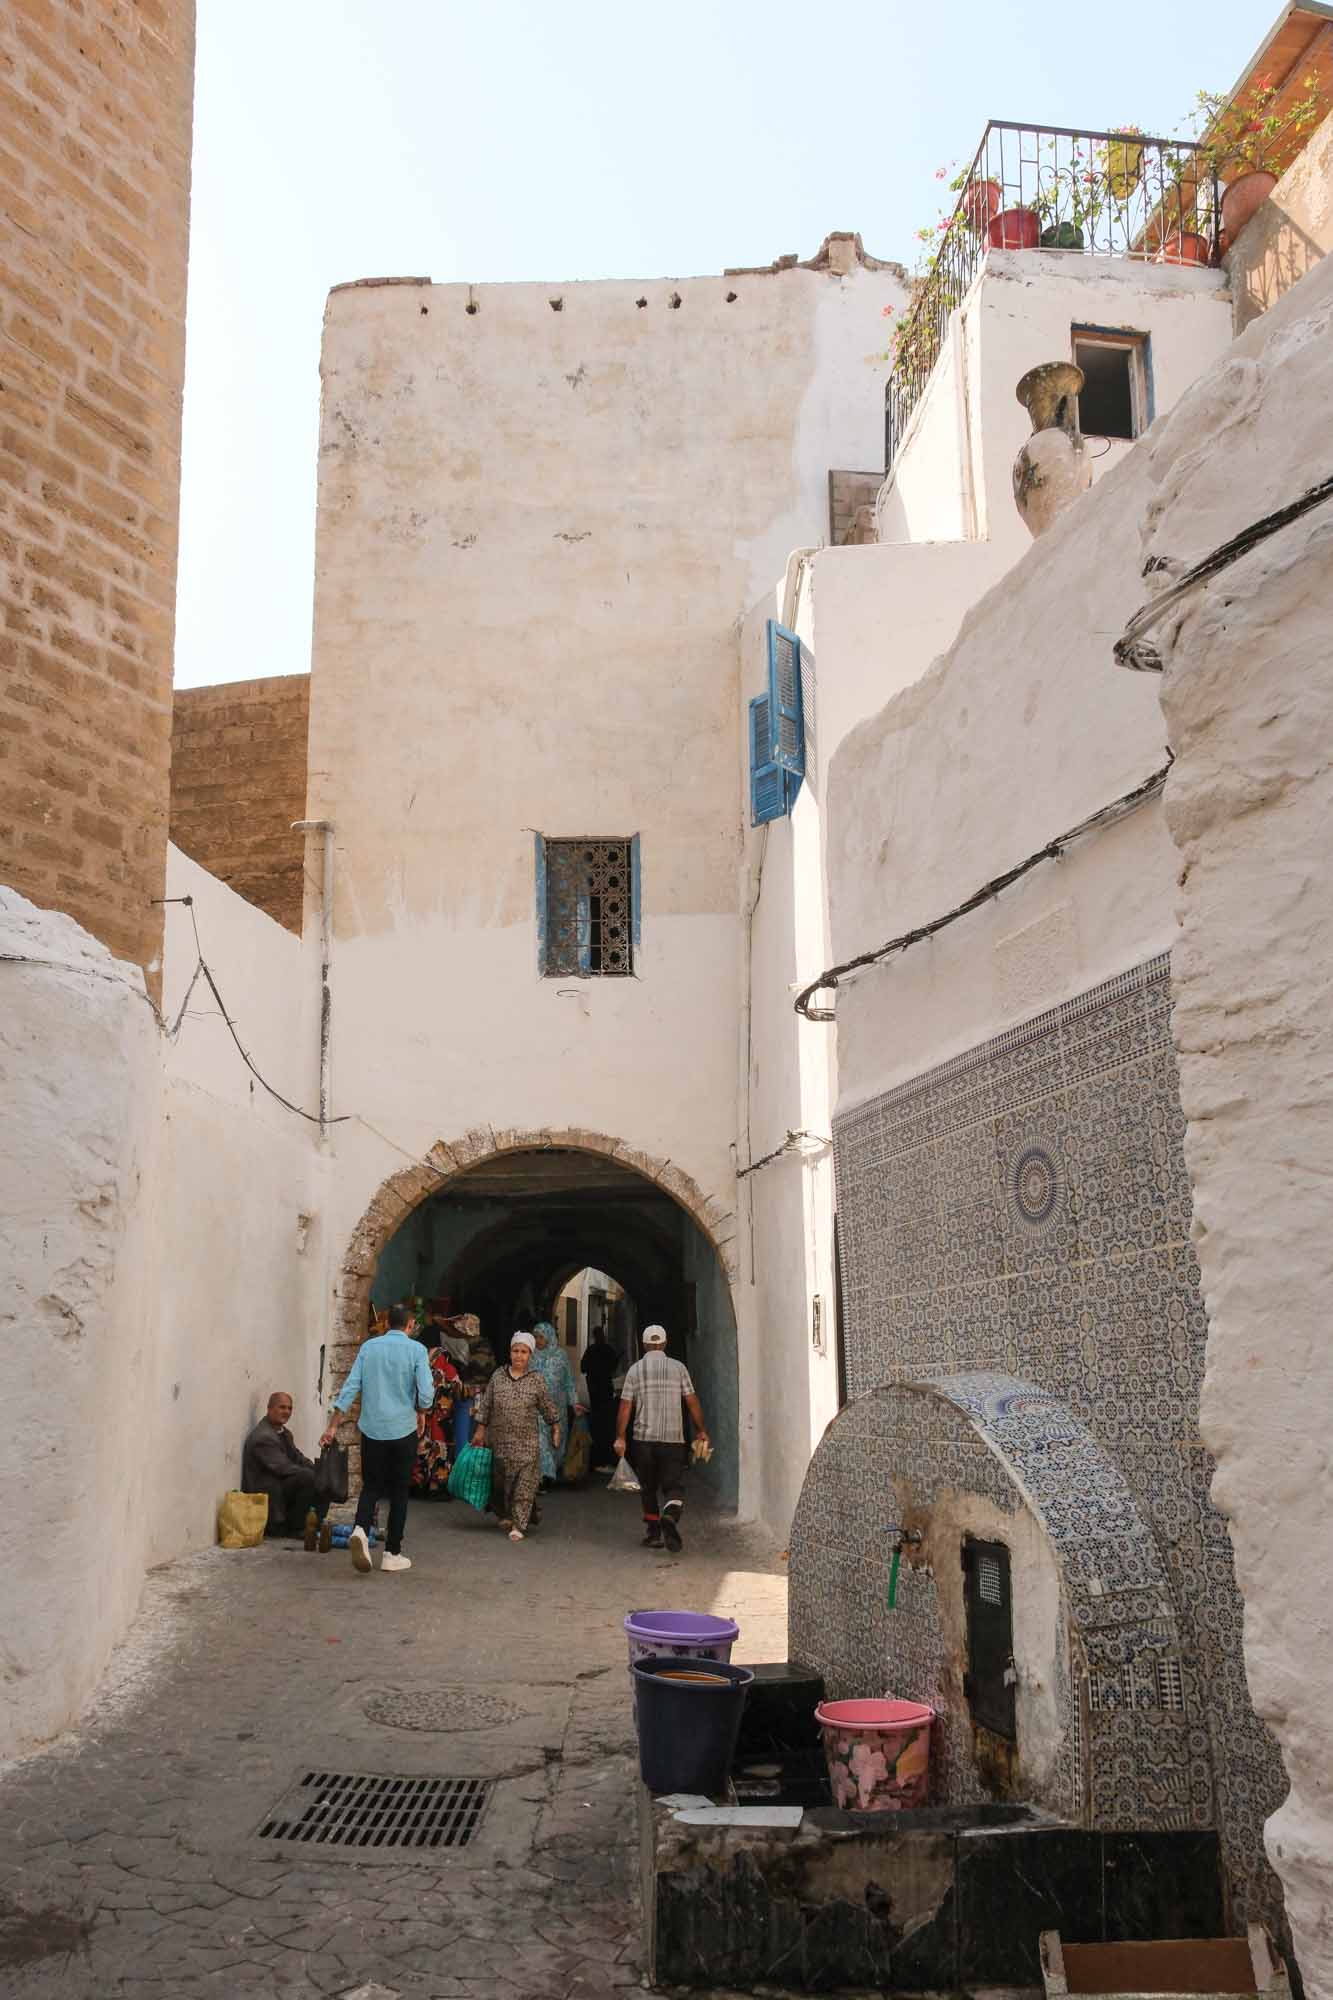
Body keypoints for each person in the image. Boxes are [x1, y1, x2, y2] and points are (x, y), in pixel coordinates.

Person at [320, 1302, 433, 1575]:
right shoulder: (417, 1350)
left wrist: (333, 1426)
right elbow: (426, 1392)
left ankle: (360, 1528)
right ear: (410, 1325)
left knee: (371, 1486)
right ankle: (392, 1553)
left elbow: (351, 1387)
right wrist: (421, 1412)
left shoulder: (369, 1348)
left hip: (372, 1430)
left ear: (386, 1323)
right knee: (399, 1491)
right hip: (403, 1430)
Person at [614, 1324, 710, 1553]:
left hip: (643, 1441)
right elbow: (691, 1401)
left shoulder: (635, 1370)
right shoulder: (679, 1368)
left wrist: (620, 1437)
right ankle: (670, 1515)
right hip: (673, 1440)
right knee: (673, 1486)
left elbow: (625, 1407)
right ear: (665, 1343)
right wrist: (701, 1430)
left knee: (648, 1488)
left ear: (644, 1345)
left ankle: (654, 1533)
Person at [472, 1333, 562, 1543]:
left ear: (530, 1355)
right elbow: (486, 1404)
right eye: (515, 1351)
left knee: (524, 1484)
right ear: (510, 1352)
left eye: (523, 1352)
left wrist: (555, 1428)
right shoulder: (498, 1376)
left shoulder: (536, 1379)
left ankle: (518, 1525)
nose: (519, 1356)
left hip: (527, 1444)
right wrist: (480, 1430)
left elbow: (547, 1406)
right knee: (501, 1483)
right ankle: (509, 1513)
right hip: (500, 1442)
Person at [242, 1392, 328, 1538]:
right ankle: (295, 1527)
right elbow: (283, 1467)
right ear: (269, 1409)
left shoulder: (284, 1433)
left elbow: (298, 1457)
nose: (287, 1412)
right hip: (267, 1494)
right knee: (307, 1478)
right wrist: (313, 1475)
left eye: (289, 1408)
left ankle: (314, 1524)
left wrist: (319, 1471)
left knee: (322, 1478)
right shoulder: (263, 1437)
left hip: (279, 1485)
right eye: (282, 1407)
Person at [411, 1334, 462, 1500]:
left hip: (423, 1416)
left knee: (422, 1448)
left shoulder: (420, 1365)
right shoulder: (448, 1367)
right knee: (441, 1450)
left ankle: (418, 1484)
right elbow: (459, 1389)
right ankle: (436, 1486)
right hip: (442, 1419)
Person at [530, 1321, 579, 1486]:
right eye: (535, 1337)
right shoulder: (530, 1355)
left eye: (541, 1337)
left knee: (555, 1440)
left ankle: (552, 1472)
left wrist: (575, 1403)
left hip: (558, 1408)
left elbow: (569, 1381)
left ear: (549, 1337)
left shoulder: (561, 1355)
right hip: (536, 1407)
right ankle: (543, 1476)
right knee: (540, 1440)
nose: (538, 1340)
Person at [581, 1327, 620, 1469]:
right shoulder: (608, 1350)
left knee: (597, 1423)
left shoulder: (591, 1350)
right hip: (605, 1392)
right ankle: (606, 1456)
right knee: (607, 1424)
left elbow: (583, 1367)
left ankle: (597, 1456)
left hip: (595, 1392)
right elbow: (614, 1366)